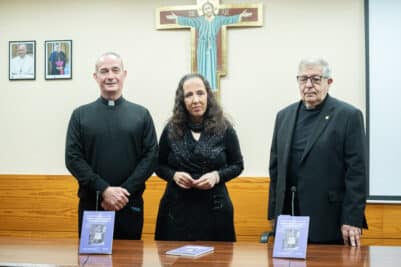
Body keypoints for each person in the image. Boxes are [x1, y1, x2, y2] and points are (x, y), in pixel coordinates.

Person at [268, 58, 368, 246]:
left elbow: (357, 173)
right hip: (290, 217)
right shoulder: (284, 116)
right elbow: (275, 169)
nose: (308, 85)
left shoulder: (348, 116)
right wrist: (274, 213)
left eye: (315, 79)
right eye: (303, 79)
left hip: (329, 220)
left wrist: (352, 219)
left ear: (329, 82)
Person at [65, 52, 158, 239]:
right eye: (103, 71)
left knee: (129, 261)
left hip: (129, 204)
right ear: (95, 76)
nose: (110, 76)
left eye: (115, 70)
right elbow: (73, 158)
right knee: (92, 260)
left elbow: (151, 157)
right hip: (93, 206)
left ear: (124, 74)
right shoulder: (80, 115)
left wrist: (123, 194)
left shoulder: (141, 114)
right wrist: (104, 190)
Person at [155, 73, 244, 241]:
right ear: (182, 100)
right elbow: (158, 164)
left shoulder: (224, 128)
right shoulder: (171, 129)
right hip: (177, 210)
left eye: (200, 93)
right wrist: (173, 175)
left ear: (208, 96)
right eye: (189, 95)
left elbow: (238, 164)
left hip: (215, 210)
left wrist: (217, 176)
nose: (195, 100)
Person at [166, 1, 252, 91]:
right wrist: (176, 18)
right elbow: (190, 21)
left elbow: (228, 19)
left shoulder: (218, 19)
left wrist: (241, 16)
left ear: (213, 9)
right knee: (202, 66)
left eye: (209, 8)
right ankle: (201, 87)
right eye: (205, 9)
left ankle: (211, 87)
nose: (208, 10)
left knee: (211, 66)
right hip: (202, 46)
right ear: (203, 11)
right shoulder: (200, 20)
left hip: (212, 47)